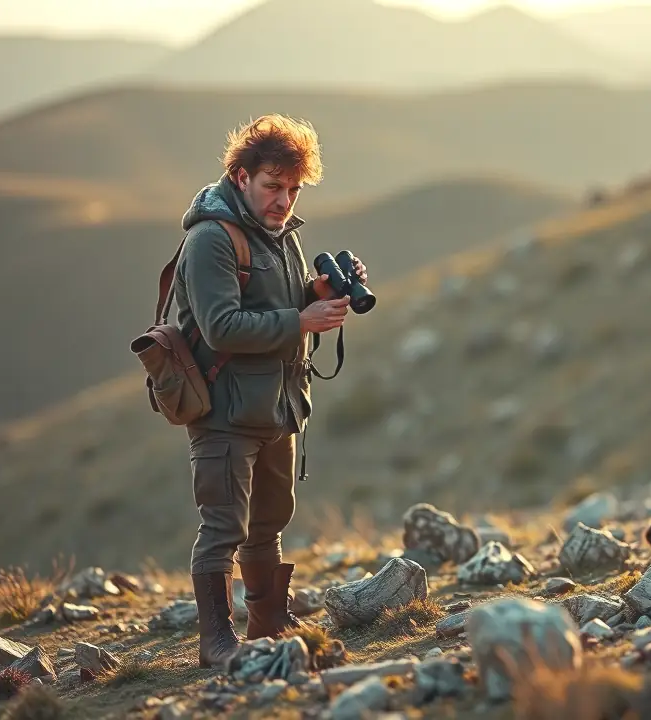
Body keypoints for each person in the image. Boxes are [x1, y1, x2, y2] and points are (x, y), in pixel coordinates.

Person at [171, 114, 368, 668]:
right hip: (224, 410)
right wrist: (301, 321)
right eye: (273, 186)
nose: (284, 200)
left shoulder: (281, 234)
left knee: (269, 520)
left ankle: (268, 622)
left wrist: (315, 292)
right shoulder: (211, 239)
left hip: (278, 405)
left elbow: (271, 300)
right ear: (241, 177)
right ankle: (215, 641)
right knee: (223, 526)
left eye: (294, 189)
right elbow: (221, 327)